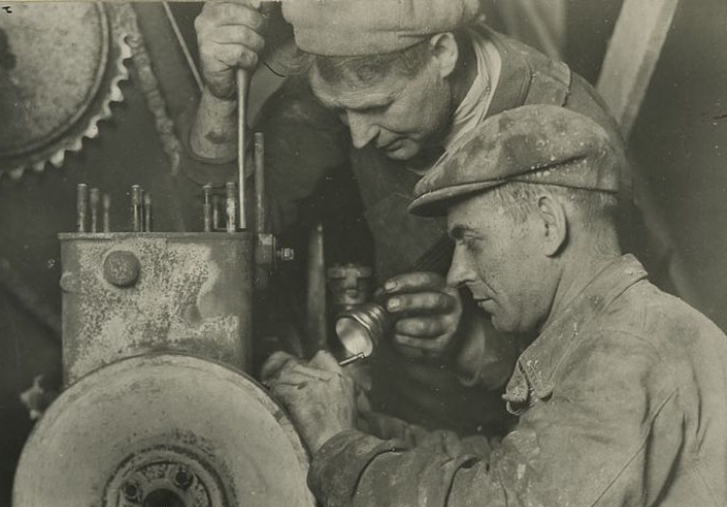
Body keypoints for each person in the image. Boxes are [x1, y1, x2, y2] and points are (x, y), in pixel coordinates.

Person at [264, 105, 727, 507]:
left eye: (470, 240)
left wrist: (341, 452)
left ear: (549, 223)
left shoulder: (632, 348)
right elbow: (510, 471)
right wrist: (353, 426)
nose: (457, 272)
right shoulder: (608, 336)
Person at [188, 0, 632, 435]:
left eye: (378, 108)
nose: (358, 137)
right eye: (341, 111)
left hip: (523, 436)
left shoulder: (569, 132)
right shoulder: (346, 83)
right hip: (396, 423)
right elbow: (220, 242)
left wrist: (472, 343)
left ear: (442, 53)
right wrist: (220, 101)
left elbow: (601, 375)